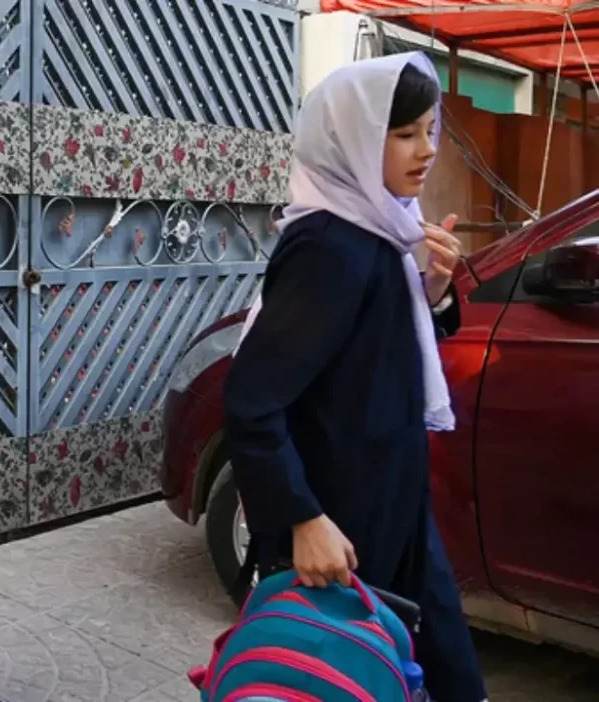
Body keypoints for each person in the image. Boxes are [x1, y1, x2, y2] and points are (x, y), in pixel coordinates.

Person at [222, 53, 488, 702]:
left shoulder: (382, 227)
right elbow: (252, 401)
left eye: (430, 128)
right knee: (353, 678)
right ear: (353, 139)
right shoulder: (330, 245)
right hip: (344, 523)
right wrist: (302, 518)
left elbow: (373, 350)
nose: (425, 150)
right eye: (402, 134)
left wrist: (434, 288)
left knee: (428, 669)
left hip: (391, 500)